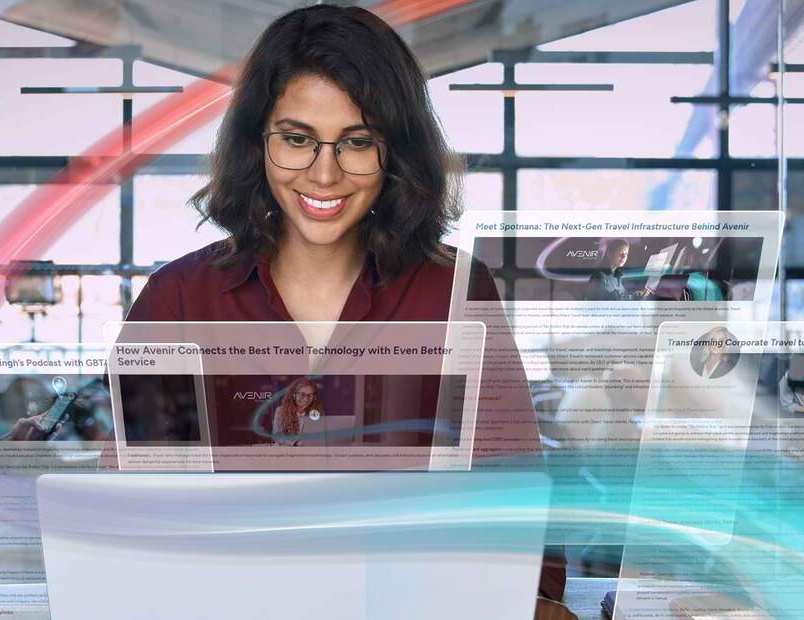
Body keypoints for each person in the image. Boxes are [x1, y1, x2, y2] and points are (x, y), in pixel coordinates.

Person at [122, 4, 562, 601]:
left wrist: (535, 601)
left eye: (357, 142)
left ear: (395, 153)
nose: (324, 175)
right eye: (298, 139)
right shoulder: (176, 299)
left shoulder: (457, 290)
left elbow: (518, 507)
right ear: (258, 143)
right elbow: (124, 515)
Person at [584, 239, 650, 301]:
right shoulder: (599, 277)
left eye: (626, 254)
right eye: (621, 253)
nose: (624, 257)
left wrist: (637, 294)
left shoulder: (617, 275)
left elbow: (623, 295)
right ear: (609, 254)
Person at [270, 377, 323, 446]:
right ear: (294, 395)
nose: (306, 399)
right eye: (302, 395)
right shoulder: (281, 410)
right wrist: (295, 443)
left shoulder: (316, 412)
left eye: (310, 395)